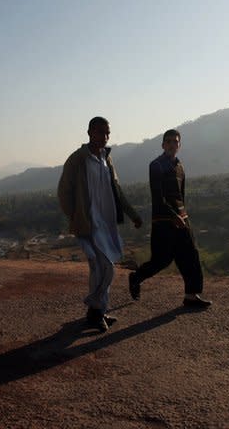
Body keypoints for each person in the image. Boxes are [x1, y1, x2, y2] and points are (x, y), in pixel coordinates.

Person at [58, 116, 143, 332]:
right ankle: (95, 310)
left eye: (107, 133)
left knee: (105, 267)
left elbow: (117, 190)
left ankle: (97, 310)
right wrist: (75, 216)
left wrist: (132, 214)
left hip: (106, 224)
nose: (104, 137)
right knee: (102, 267)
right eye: (99, 132)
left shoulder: (107, 159)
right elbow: (63, 191)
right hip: (88, 224)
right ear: (89, 133)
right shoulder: (78, 159)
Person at [128, 129, 212, 309]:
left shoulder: (180, 166)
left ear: (179, 145)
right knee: (162, 260)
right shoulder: (156, 165)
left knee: (191, 255)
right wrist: (173, 216)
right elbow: (158, 197)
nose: (172, 145)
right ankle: (136, 277)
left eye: (175, 141)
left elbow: (180, 196)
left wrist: (183, 216)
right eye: (169, 142)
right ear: (163, 145)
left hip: (182, 219)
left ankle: (191, 295)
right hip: (163, 221)